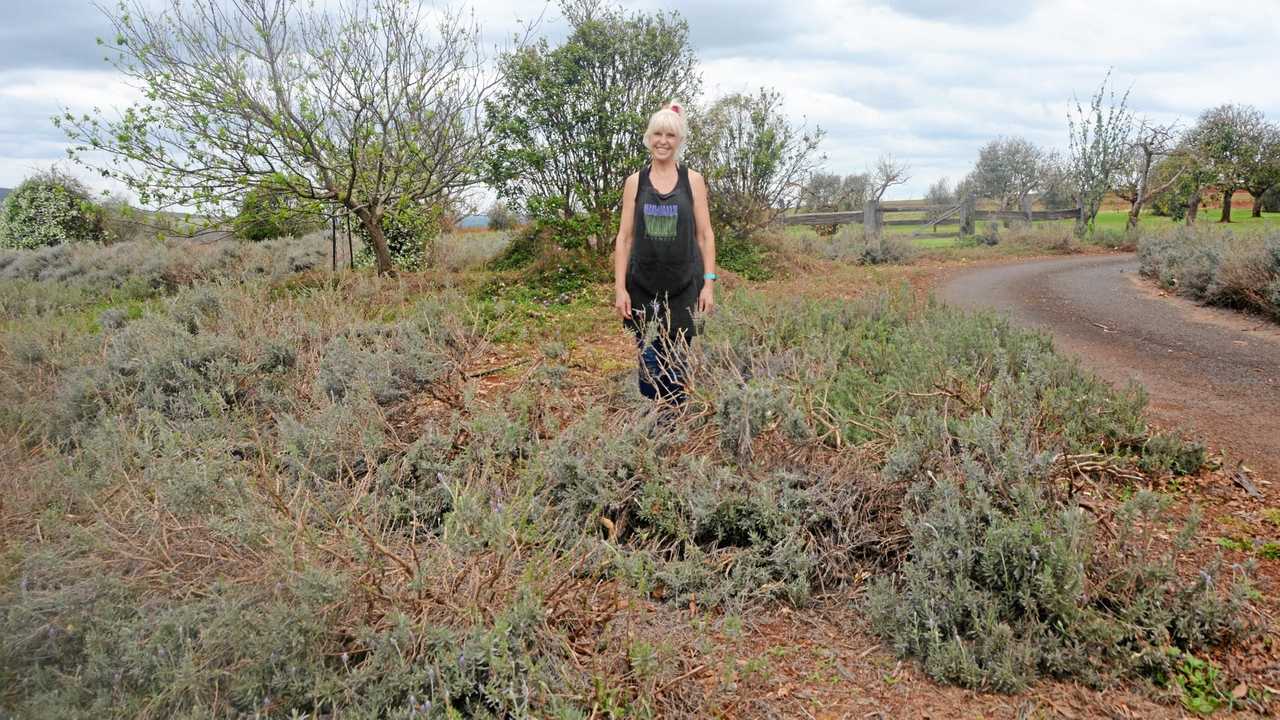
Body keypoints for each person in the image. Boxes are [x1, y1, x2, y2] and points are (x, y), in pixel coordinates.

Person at [614, 101, 717, 405]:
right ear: (648, 138)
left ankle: (673, 428)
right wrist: (620, 289)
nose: (663, 141)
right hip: (643, 288)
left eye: (670, 136)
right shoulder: (636, 182)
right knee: (649, 361)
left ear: (680, 141)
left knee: (677, 363)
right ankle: (651, 423)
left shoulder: (693, 181)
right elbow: (624, 238)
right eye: (658, 134)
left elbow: (705, 234)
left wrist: (708, 283)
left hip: (684, 287)